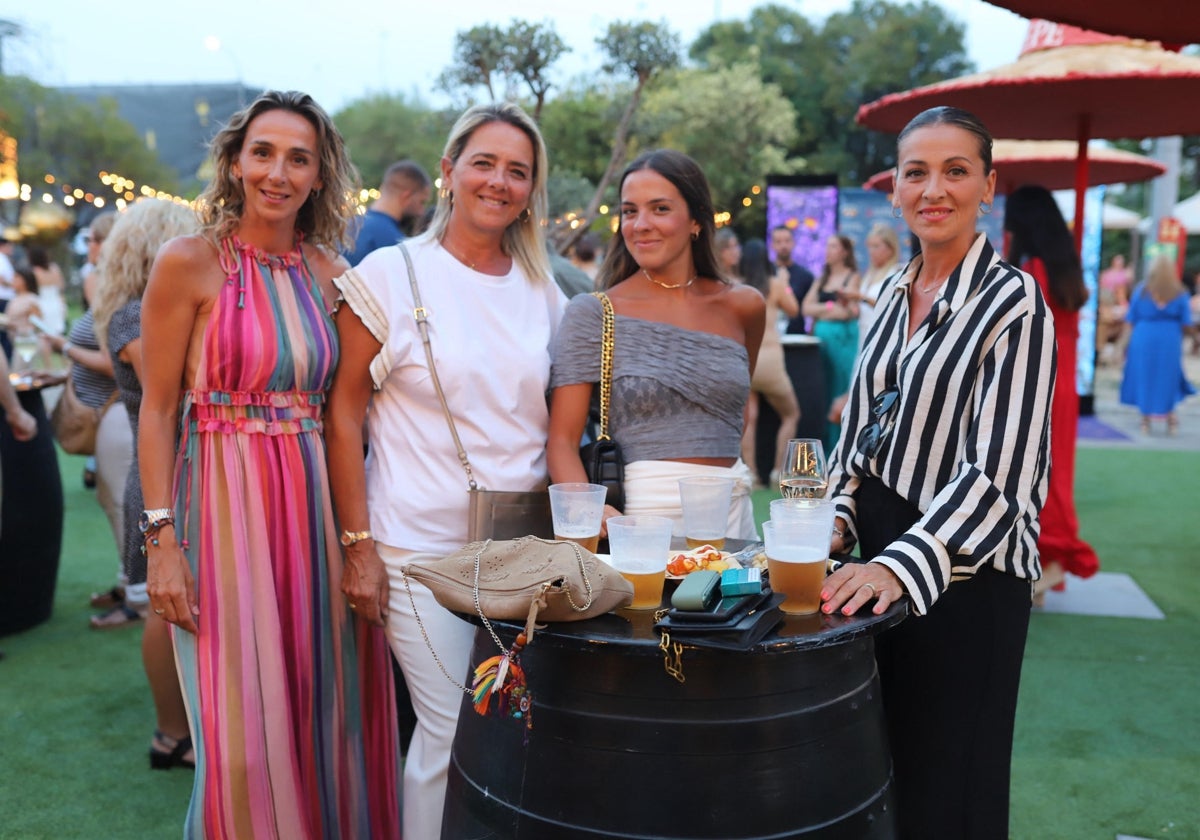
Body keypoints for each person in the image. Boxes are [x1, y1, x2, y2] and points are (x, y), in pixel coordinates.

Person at [140, 90, 400, 837]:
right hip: (219, 514)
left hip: (315, 514)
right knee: (241, 741)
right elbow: (158, 412)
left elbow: (348, 413)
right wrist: (162, 544)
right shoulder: (186, 264)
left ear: (320, 176)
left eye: (298, 158)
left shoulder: (332, 273)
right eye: (263, 153)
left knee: (325, 714)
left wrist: (361, 548)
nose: (277, 173)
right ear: (233, 162)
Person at [326, 101, 564, 839]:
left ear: (532, 189)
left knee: (508, 729)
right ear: (448, 170)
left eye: (517, 171)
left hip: (519, 553)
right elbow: (343, 413)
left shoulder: (546, 291)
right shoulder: (391, 273)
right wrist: (358, 545)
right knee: (454, 724)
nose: (499, 181)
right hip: (416, 551)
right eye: (484, 163)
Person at [821, 106, 1056, 839]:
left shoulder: (1014, 302)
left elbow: (1001, 478)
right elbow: (859, 435)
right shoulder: (890, 291)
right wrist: (831, 521)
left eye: (956, 171)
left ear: (989, 186)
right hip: (878, 561)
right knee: (883, 773)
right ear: (895, 189)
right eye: (916, 172)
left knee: (952, 791)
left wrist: (896, 566)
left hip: (970, 574)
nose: (934, 189)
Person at [548, 149, 766, 539]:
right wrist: (585, 511)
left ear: (697, 220)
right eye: (630, 211)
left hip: (733, 516)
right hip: (639, 522)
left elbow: (733, 412)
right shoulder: (595, 313)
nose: (641, 224)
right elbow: (562, 440)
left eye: (660, 209)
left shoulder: (744, 306)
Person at [90, 199, 198, 768]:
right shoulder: (134, 316)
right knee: (163, 609)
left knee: (182, 607)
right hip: (159, 478)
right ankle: (170, 733)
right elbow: (173, 384)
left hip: (180, 471)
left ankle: (186, 723)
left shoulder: (146, 309)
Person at [1004, 184, 1099, 600]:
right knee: (1055, 473)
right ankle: (1044, 566)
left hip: (1038, 383)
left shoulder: (1033, 272)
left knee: (1038, 471)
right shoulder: (1066, 269)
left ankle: (1051, 561)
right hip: (1061, 387)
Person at [736, 236, 801, 487]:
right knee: (791, 414)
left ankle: (751, 473)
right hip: (772, 361)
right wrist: (785, 283)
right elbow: (794, 310)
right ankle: (777, 472)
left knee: (749, 417)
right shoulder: (774, 284)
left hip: (747, 359)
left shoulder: (738, 286)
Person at [1120, 254, 1196, 434]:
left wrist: (1121, 344)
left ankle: (1145, 419)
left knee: (1144, 375)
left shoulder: (1141, 290)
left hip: (1143, 337)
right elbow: (1186, 322)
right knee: (1168, 376)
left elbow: (1130, 318)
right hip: (1169, 339)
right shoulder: (1180, 292)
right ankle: (1171, 418)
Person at [802, 233, 861, 447]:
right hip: (821, 342)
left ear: (844, 252)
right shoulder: (822, 278)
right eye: (827, 246)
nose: (828, 250)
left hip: (843, 341)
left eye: (834, 246)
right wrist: (829, 308)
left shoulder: (852, 276)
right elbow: (806, 307)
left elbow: (848, 312)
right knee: (823, 392)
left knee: (840, 387)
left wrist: (822, 311)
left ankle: (839, 446)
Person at [346, 159, 432, 266]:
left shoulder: (346, 226)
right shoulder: (395, 244)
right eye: (421, 202)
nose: (422, 212)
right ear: (406, 197)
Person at [771, 225, 815, 335]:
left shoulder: (805, 276)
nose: (783, 246)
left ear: (793, 242)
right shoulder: (765, 274)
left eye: (787, 241)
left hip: (798, 338)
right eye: (778, 242)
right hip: (771, 338)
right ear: (772, 245)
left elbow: (811, 308)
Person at [27, 245, 66, 335]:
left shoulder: (34, 272)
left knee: (43, 331)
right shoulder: (54, 268)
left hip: (41, 301)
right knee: (56, 330)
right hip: (56, 301)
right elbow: (61, 286)